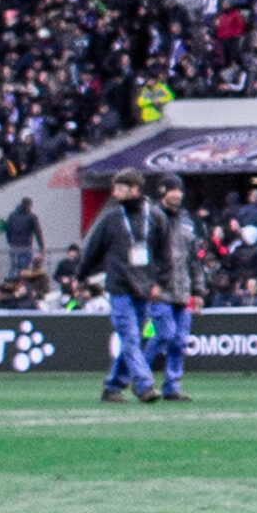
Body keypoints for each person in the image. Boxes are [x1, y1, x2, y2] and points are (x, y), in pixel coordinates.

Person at [79, 171, 169, 403]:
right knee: (129, 338)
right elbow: (93, 249)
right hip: (119, 288)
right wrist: (80, 275)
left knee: (133, 340)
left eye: (120, 188)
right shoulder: (111, 219)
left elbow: (164, 254)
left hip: (144, 287)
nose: (115, 192)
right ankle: (144, 386)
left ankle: (112, 387)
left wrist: (161, 282)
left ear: (135, 189)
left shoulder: (155, 217)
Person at [147, 175, 200, 401]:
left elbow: (193, 259)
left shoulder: (187, 221)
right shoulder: (151, 219)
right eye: (172, 189)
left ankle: (172, 386)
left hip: (182, 290)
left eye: (179, 189)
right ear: (163, 192)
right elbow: (144, 256)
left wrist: (197, 290)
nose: (177, 193)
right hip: (160, 289)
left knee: (179, 340)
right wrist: (149, 283)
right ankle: (141, 378)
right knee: (165, 334)